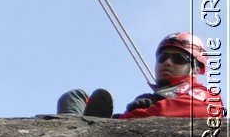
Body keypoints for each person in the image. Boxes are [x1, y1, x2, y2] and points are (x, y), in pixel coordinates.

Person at [56, 32, 224, 119]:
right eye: (162, 57)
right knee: (75, 96)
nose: (167, 62)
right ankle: (73, 127)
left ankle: (84, 127)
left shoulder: (202, 93)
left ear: (195, 68)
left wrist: (135, 115)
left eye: (179, 59)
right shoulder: (155, 97)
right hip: (125, 126)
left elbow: (208, 109)